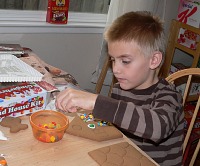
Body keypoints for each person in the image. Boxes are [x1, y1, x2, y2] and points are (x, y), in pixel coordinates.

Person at [56, 11, 184, 166]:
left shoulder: (169, 95)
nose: (115, 69)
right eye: (113, 60)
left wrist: (97, 102)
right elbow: (116, 126)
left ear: (154, 60)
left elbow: (158, 128)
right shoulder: (119, 89)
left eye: (125, 61)